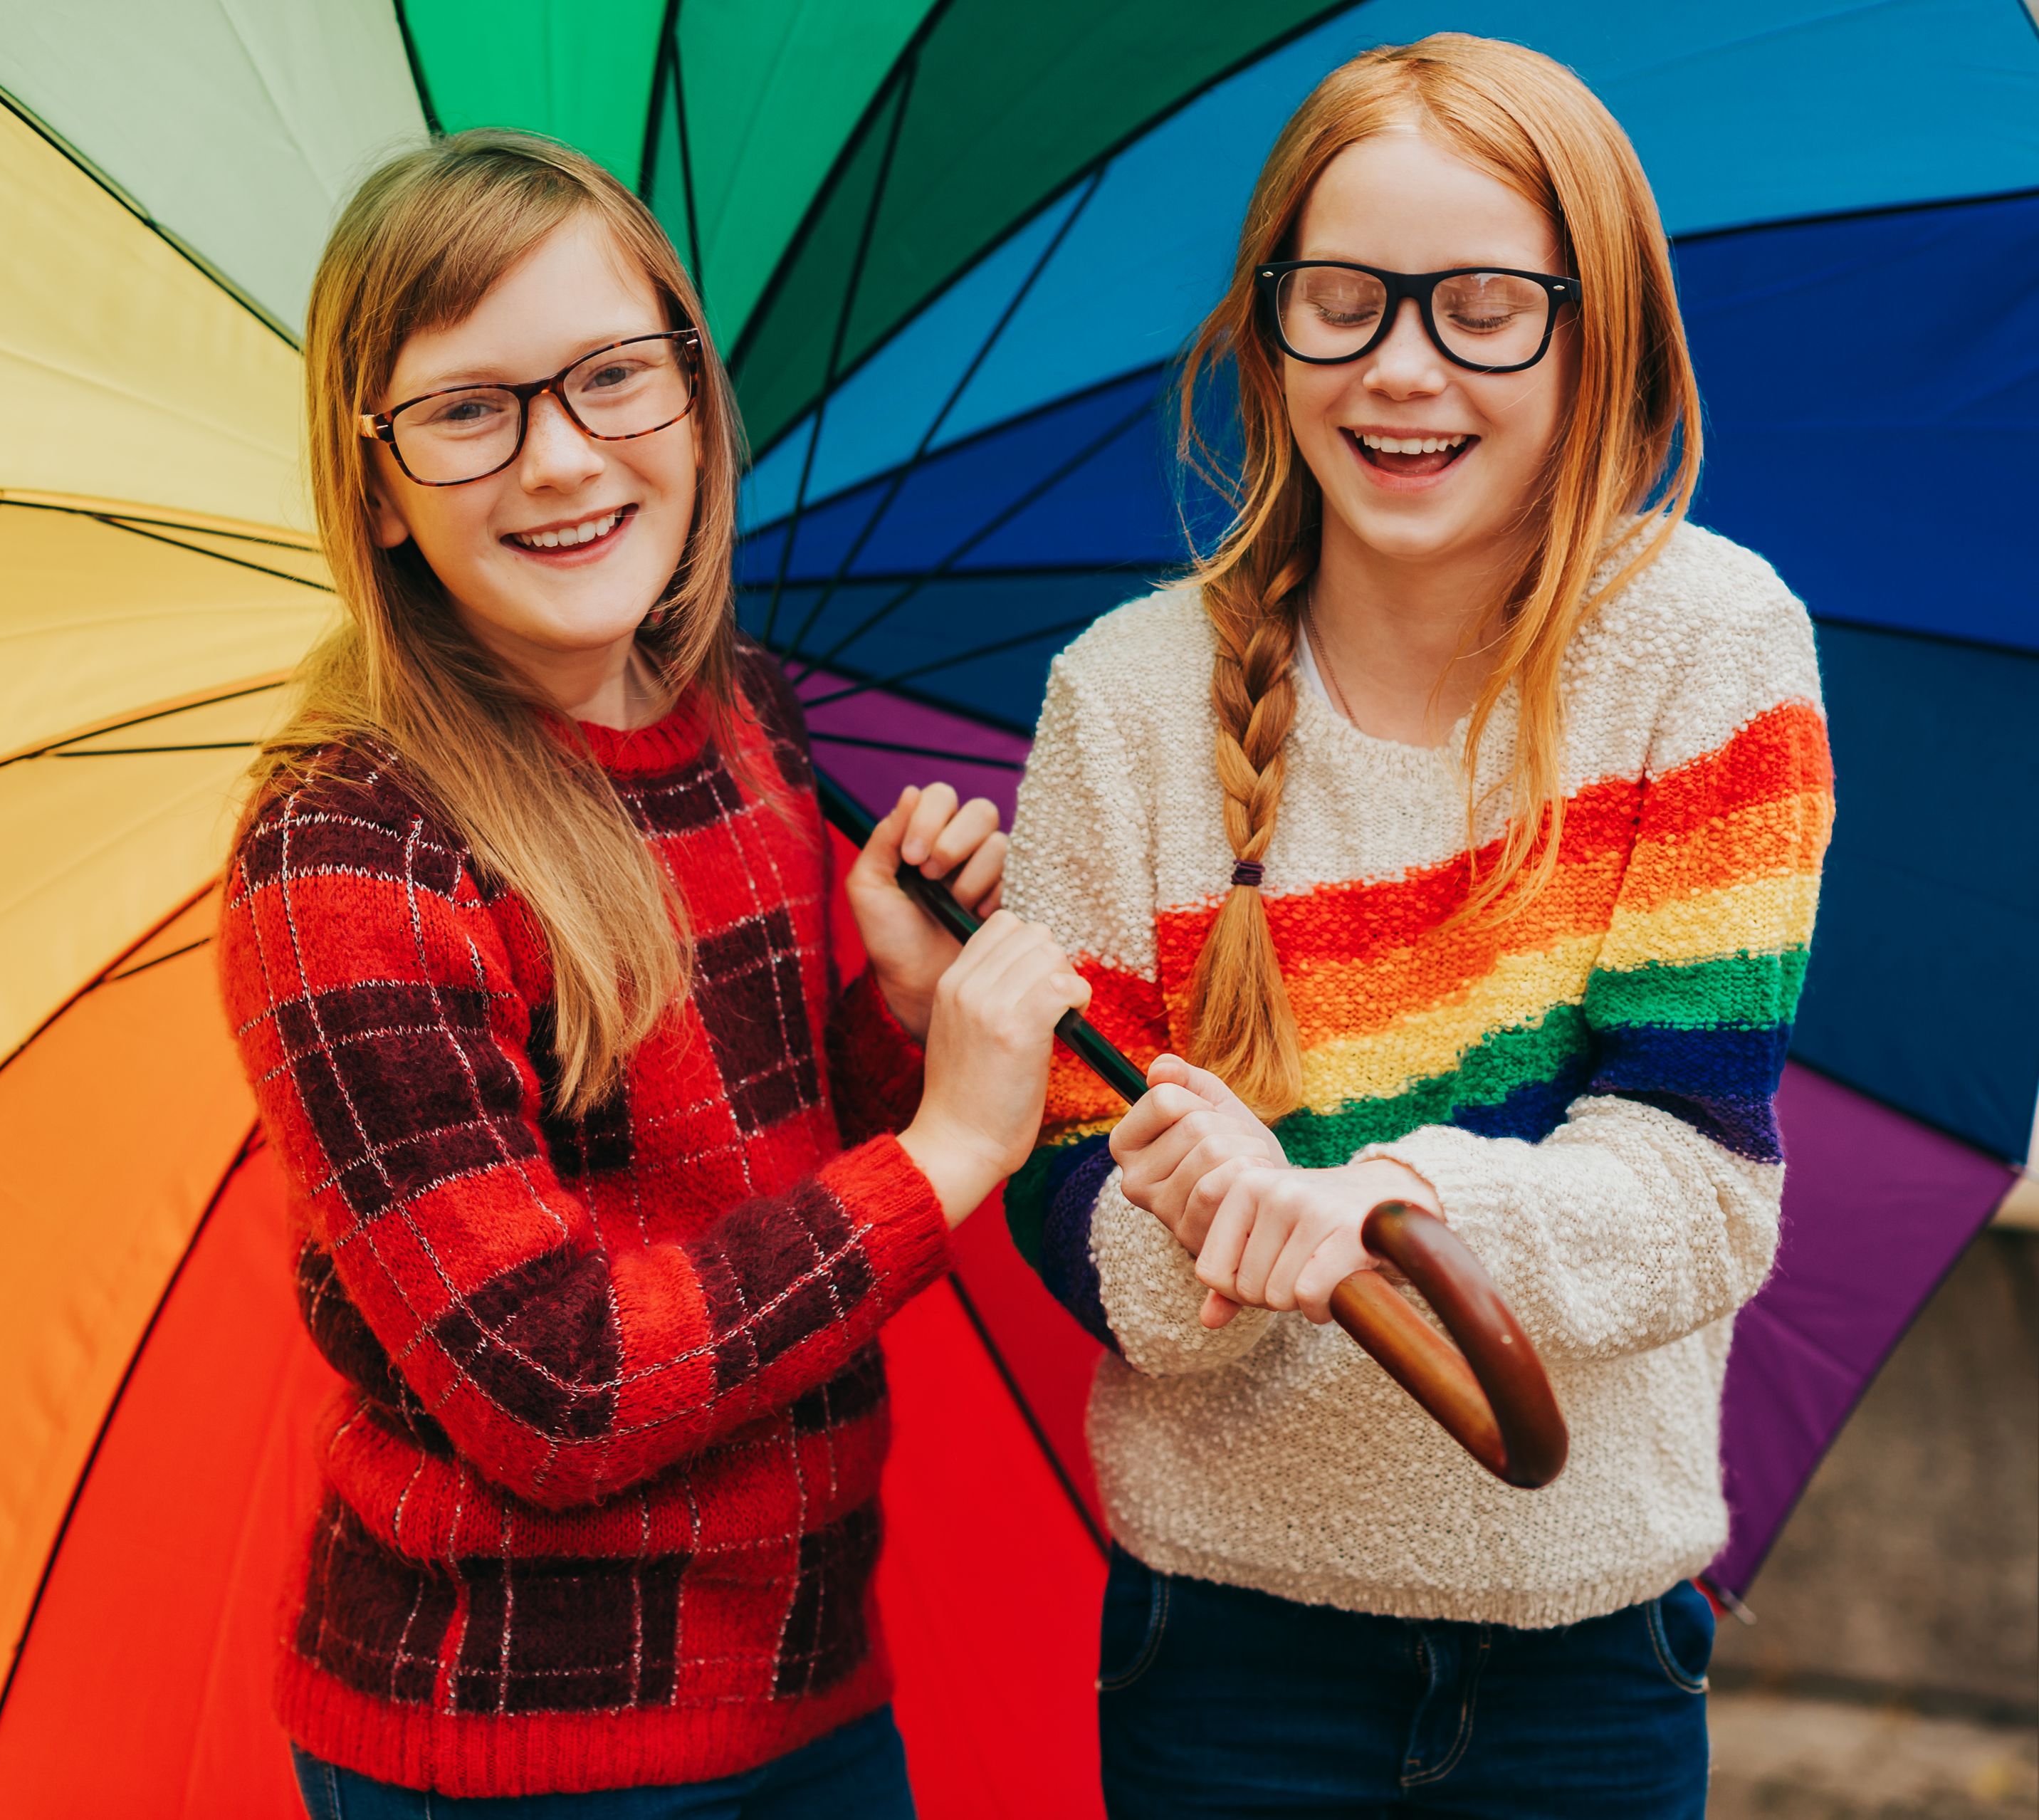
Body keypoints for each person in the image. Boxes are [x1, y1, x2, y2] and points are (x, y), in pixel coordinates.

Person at [1000, 35, 1833, 1818]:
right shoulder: (1122, 703)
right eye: (1343, 302)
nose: (1400, 367)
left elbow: (1696, 1180)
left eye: (1483, 310)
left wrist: (1386, 1207)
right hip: (1224, 1654)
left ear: (1600, 335)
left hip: (1588, 1652)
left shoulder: (1707, 651)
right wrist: (1210, 1239)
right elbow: (1061, 1180)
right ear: (1266, 330)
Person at [218, 131, 1088, 1819]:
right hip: (518, 1746)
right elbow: (553, 1387)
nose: (561, 460)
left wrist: (900, 1024)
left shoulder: (746, 718)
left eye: (614, 376)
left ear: (694, 396)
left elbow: (743, 1193)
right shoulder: (350, 859)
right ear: (376, 484)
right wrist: (949, 1154)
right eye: (469, 410)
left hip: (809, 1690)